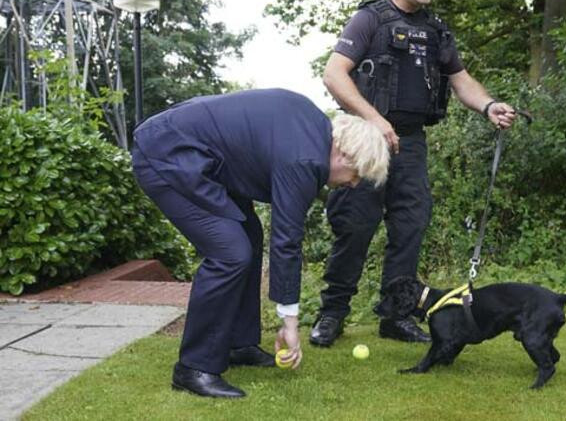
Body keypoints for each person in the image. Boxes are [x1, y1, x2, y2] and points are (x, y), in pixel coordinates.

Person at [309, 0, 517, 347]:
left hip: (411, 144)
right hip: (365, 143)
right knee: (354, 227)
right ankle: (332, 314)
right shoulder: (369, 20)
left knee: (409, 228)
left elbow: (461, 82)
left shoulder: (436, 31)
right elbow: (334, 74)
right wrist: (375, 120)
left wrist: (489, 105)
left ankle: (396, 315)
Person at [131, 88, 389, 398]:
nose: (354, 183)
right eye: (357, 173)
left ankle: (238, 344)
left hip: (201, 160)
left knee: (249, 238)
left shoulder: (312, 131)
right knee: (230, 253)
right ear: (344, 153)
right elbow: (287, 240)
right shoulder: (305, 158)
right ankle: (194, 368)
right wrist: (290, 323)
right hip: (167, 155)